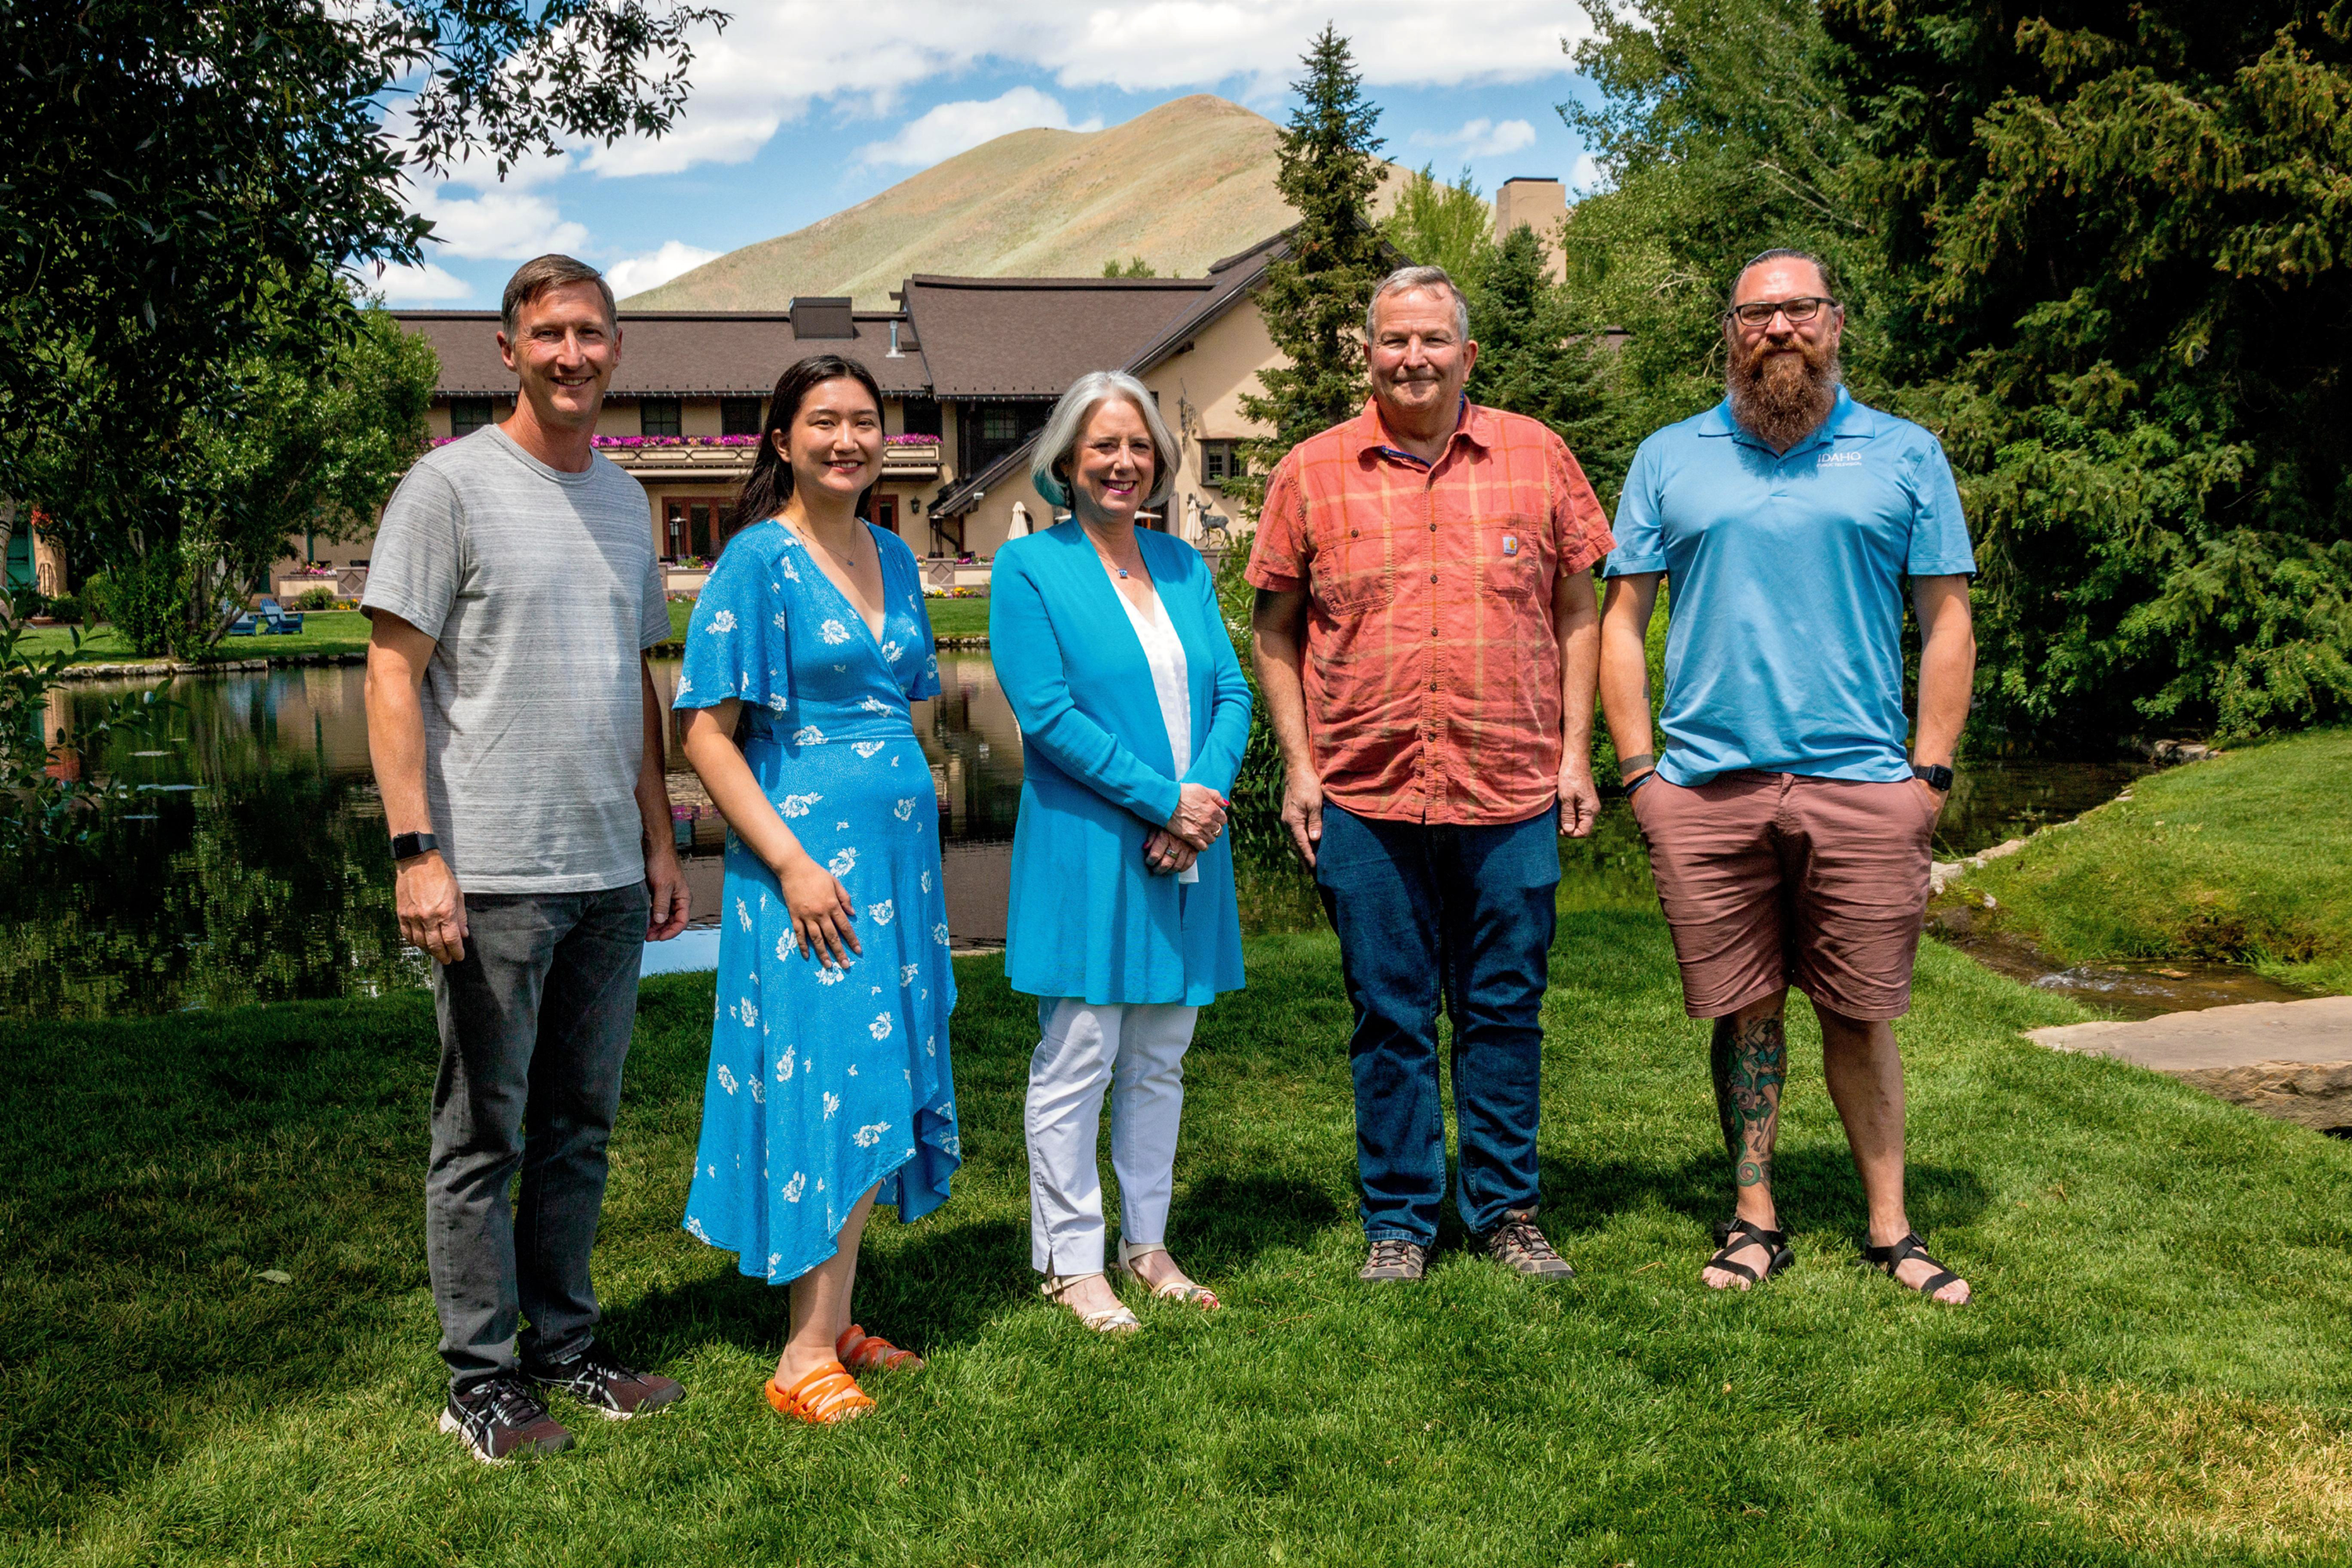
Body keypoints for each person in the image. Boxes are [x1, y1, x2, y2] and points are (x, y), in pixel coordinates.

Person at [1597, 248, 1978, 1304]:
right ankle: (1753, 1217)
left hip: (1862, 782)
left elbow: (1946, 616)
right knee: (1746, 1005)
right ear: (1728, 329)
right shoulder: (1672, 457)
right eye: (1757, 312)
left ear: (1836, 322)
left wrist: (1928, 774)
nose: (1779, 328)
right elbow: (1621, 622)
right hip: (1709, 784)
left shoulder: (1903, 453)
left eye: (1799, 308)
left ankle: (1891, 1227)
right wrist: (1640, 772)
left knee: (1860, 1010)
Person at [362, 253, 693, 1465]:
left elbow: (637, 693)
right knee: (483, 1133)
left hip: (607, 870)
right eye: (548, 333)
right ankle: (479, 1377)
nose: (571, 354)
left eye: (591, 335)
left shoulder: (624, 502)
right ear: (507, 350)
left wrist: (662, 840)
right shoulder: (446, 487)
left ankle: (565, 1347)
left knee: (579, 1127)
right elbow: (392, 673)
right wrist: (417, 853)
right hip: (490, 870)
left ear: (616, 351)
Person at [1247, 265, 1615, 1285]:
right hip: (1366, 792)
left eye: (1432, 341)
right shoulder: (1311, 473)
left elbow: (1580, 610)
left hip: (1510, 786)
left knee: (1503, 1007)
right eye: (1393, 340)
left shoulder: (1537, 458)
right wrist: (1300, 767)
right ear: (1369, 352)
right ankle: (1400, 1219)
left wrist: (1577, 757)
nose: (1412, 358)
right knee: (1391, 1012)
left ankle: (1504, 1208)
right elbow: (1274, 628)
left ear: (1467, 355)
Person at [673, 354, 960, 1423]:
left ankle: (835, 1319)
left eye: (863, 421)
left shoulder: (895, 553)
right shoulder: (756, 561)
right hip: (807, 874)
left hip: (898, 871)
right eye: (824, 422)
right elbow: (705, 733)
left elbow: (910, 705)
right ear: (783, 440)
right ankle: (801, 1357)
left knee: (880, 1071)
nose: (847, 440)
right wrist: (793, 860)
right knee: (830, 1079)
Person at [992, 371, 1253, 1333]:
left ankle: (1147, 1243)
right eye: (1103, 446)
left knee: (1161, 1053)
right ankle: (1071, 1260)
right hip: (1093, 842)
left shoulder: (1185, 564)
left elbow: (1232, 691)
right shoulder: (1032, 568)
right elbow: (1046, 712)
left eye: (1138, 445)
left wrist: (1205, 798)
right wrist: (1163, 800)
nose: (1121, 462)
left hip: (1188, 843)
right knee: (1082, 1050)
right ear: (1066, 459)